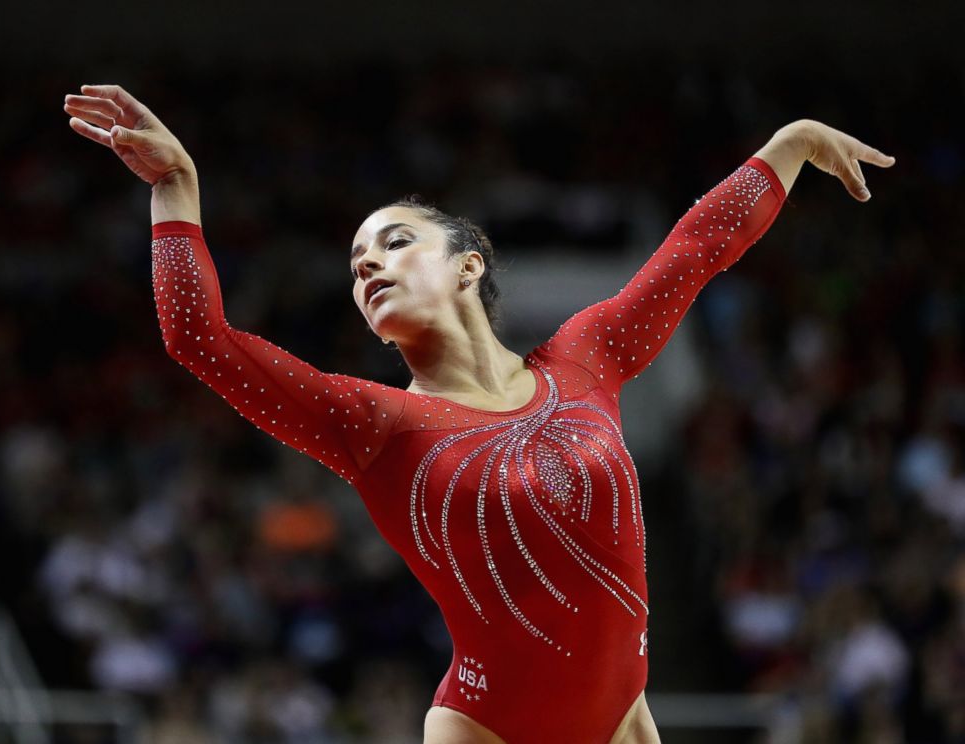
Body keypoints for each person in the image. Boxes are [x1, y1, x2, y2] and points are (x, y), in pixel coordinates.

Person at [63, 83, 894, 744]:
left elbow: (694, 252)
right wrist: (177, 186)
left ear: (468, 265)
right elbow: (198, 338)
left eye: (392, 242)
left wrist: (789, 145)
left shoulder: (585, 358)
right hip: (486, 728)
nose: (368, 269)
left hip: (624, 724)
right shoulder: (373, 424)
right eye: (356, 266)